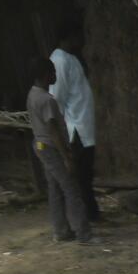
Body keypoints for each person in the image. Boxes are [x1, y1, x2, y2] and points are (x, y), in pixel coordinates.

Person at [28, 57, 99, 245]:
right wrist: (66, 155)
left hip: (40, 146)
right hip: (51, 148)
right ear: (45, 75)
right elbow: (54, 131)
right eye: (53, 72)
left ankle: (61, 230)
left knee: (55, 188)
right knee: (71, 188)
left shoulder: (32, 94)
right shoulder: (46, 100)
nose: (56, 75)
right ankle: (84, 233)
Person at [50, 21, 100, 221]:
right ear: (68, 37)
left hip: (83, 125)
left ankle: (91, 213)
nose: (81, 40)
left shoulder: (71, 58)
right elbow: (58, 98)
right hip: (75, 128)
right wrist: (62, 131)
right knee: (80, 176)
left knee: (86, 174)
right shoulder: (60, 61)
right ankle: (85, 216)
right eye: (77, 35)